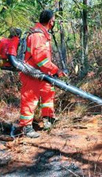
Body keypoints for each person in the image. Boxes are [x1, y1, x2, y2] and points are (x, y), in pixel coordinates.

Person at [17, 10, 66, 138]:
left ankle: (48, 119)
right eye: (54, 19)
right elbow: (41, 59)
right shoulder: (38, 36)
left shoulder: (42, 34)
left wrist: (51, 70)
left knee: (48, 94)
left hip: (42, 73)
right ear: (51, 21)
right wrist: (56, 70)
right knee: (29, 99)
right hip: (32, 74)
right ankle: (26, 127)